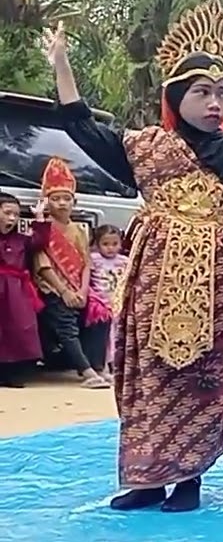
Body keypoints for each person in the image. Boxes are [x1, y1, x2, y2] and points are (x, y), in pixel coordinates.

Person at [42, 0, 223, 512]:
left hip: (209, 285)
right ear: (177, 97)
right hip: (151, 282)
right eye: (202, 92)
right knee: (146, 374)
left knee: (198, 375)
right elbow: (83, 129)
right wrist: (62, 65)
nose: (215, 102)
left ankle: (189, 480)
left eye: (222, 93)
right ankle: (148, 479)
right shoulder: (146, 148)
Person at [32, 158, 112, 389]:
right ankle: (86, 372)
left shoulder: (78, 229)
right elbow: (43, 265)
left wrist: (84, 291)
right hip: (54, 289)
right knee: (65, 324)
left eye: (66, 199)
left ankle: (97, 366)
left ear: (74, 202)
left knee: (101, 314)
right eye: (55, 199)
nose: (62, 203)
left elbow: (86, 263)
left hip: (79, 288)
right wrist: (65, 291)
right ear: (46, 202)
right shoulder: (43, 229)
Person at [0, 194, 50, 388]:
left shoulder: (20, 240)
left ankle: (14, 373)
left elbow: (40, 241)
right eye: (7, 213)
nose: (12, 218)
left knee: (19, 329)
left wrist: (39, 218)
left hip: (15, 291)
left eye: (15, 214)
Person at [88, 224, 129, 377]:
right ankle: (103, 366)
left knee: (118, 335)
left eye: (115, 244)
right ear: (97, 244)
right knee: (106, 337)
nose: (110, 248)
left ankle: (118, 365)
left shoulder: (124, 261)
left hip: (119, 303)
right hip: (101, 304)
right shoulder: (94, 259)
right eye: (105, 244)